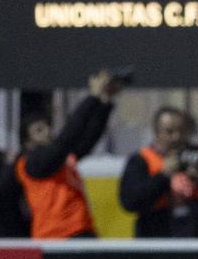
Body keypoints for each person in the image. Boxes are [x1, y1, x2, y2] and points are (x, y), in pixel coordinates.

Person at [16, 70, 120, 239]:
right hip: (56, 236)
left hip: (82, 228)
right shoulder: (31, 163)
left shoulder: (61, 157)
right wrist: (92, 97)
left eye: (47, 127)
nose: (47, 132)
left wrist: (105, 101)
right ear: (27, 141)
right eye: (38, 131)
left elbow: (89, 137)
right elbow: (68, 136)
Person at [119, 107, 198, 238]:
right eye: (169, 131)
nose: (176, 137)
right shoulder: (141, 160)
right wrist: (163, 175)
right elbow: (130, 201)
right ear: (157, 133)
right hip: (156, 236)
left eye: (182, 131)